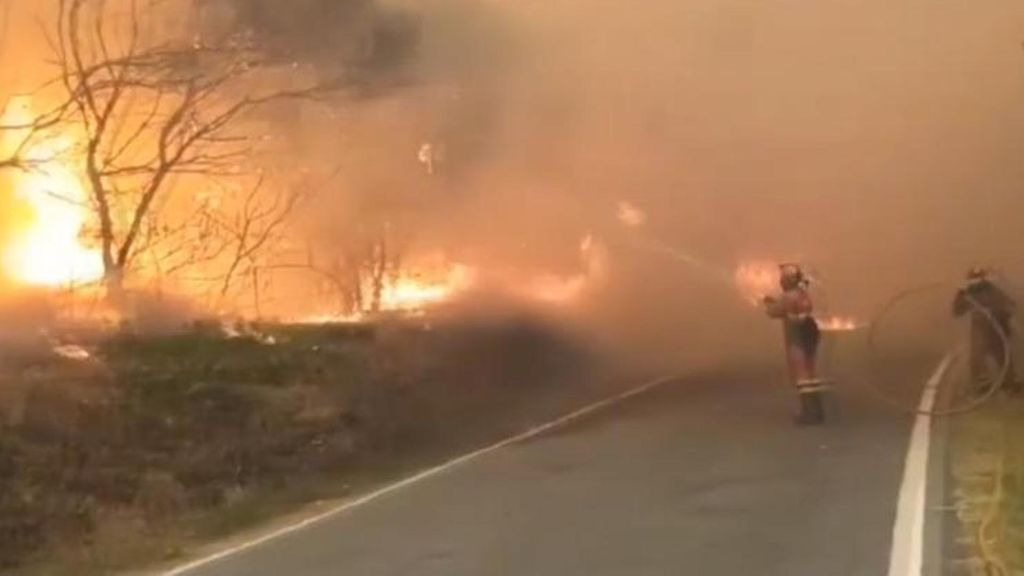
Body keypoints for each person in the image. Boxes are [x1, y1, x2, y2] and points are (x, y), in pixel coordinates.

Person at [763, 263, 826, 425]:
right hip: (810, 331)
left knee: (801, 374)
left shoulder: (789, 296)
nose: (781, 281)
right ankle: (817, 410)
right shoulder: (802, 292)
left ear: (788, 280)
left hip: (797, 333)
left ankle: (809, 413)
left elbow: (774, 312)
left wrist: (768, 304)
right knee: (810, 371)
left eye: (783, 278)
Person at [952, 267, 1020, 394]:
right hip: (979, 330)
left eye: (979, 279)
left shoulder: (992, 290)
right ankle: (982, 384)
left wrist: (1000, 312)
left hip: (996, 329)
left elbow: (1010, 305)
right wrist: (960, 294)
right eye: (974, 279)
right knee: (977, 357)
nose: (977, 282)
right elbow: (957, 311)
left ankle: (1010, 383)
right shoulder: (967, 294)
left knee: (1002, 356)